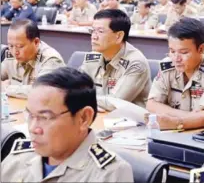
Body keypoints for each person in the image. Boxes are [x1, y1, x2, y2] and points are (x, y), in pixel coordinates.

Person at [1, 67, 134, 182]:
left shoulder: (109, 173)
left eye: (45, 117)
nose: (33, 128)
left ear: (83, 118)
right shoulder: (18, 158)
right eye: (30, 115)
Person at [147, 18, 204, 130]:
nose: (176, 59)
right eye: (172, 51)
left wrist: (176, 122)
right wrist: (190, 117)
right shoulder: (167, 65)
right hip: (172, 133)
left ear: (201, 48)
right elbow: (152, 105)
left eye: (184, 52)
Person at [80, 9, 151, 109]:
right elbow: (77, 87)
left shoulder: (136, 63)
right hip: (99, 115)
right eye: (92, 31)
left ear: (119, 36)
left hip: (129, 120)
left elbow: (115, 102)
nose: (93, 37)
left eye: (100, 32)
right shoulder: (93, 56)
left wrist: (81, 99)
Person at [1, 19, 65, 99]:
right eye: (10, 46)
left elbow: (42, 91)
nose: (14, 52)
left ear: (36, 42)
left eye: (20, 46)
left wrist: (6, 88)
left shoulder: (51, 59)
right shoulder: (11, 56)